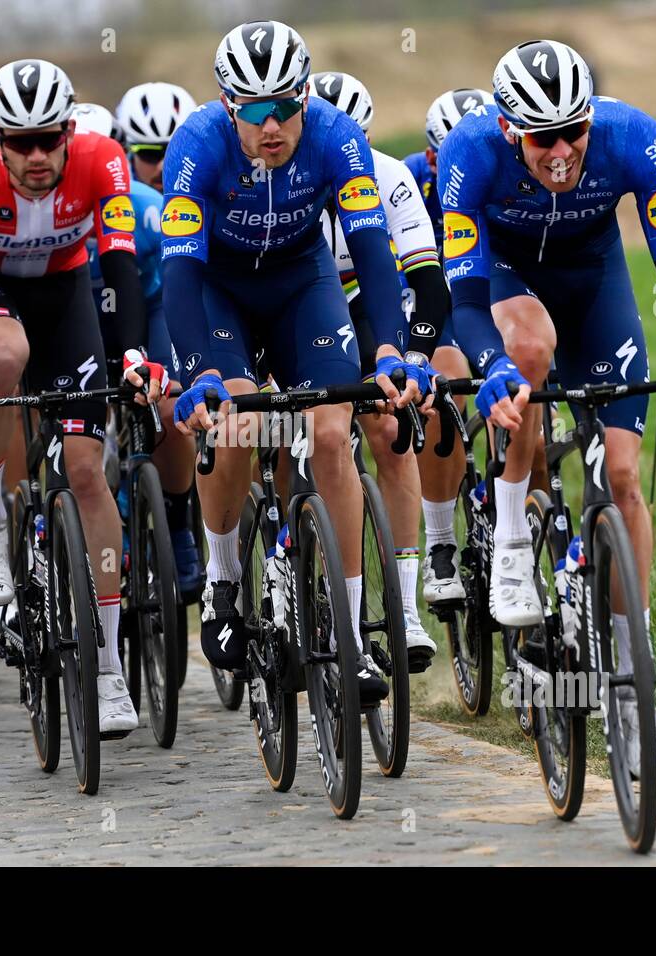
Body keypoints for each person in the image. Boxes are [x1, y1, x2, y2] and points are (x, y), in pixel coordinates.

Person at [440, 39, 656, 777]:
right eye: (544, 138)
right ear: (511, 129)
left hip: (596, 282)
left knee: (624, 480)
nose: (564, 151)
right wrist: (494, 365)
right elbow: (466, 297)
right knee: (530, 350)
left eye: (575, 131)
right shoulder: (469, 153)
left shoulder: (635, 136)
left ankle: (636, 690)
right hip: (508, 280)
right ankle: (511, 536)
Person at [163, 20, 426, 701]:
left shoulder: (339, 137)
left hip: (302, 283)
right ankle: (223, 582)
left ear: (306, 98)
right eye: (254, 111)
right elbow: (182, 275)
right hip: (221, 289)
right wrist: (201, 373)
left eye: (286, 107)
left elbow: (372, 250)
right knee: (236, 427)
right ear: (228, 106)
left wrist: (393, 345)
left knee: (333, 432)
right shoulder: (195, 147)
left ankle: (349, 632)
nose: (272, 125)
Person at [0, 59, 162, 735]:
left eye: (48, 139)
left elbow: (118, 267)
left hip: (67, 299)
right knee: (1, 360)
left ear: (68, 131)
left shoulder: (103, 160)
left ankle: (110, 666)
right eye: (20, 142)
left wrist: (133, 355)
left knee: (88, 471)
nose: (36, 156)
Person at [309, 70, 447, 667]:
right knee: (292, 428)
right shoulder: (286, 179)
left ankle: (406, 609)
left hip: (365, 299)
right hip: (296, 299)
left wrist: (414, 356)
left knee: (392, 432)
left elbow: (428, 284)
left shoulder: (390, 179)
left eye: (355, 143)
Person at [108, 82, 202, 596]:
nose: (163, 168)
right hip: (102, 314)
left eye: (172, 152)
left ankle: (180, 523)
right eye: (148, 155)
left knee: (170, 406)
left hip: (155, 304)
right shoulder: (128, 201)